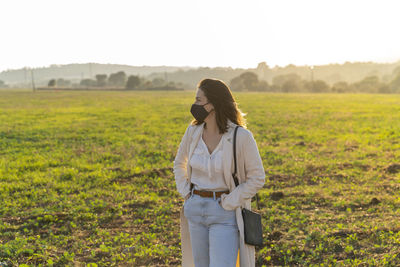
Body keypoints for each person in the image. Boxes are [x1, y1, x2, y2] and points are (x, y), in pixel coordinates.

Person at [173, 78, 265, 267]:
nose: (194, 105)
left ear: (213, 103)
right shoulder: (193, 132)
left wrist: (230, 202)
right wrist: (186, 193)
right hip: (195, 208)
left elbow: (257, 178)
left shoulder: (241, 137)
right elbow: (179, 163)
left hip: (224, 213)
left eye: (199, 100)